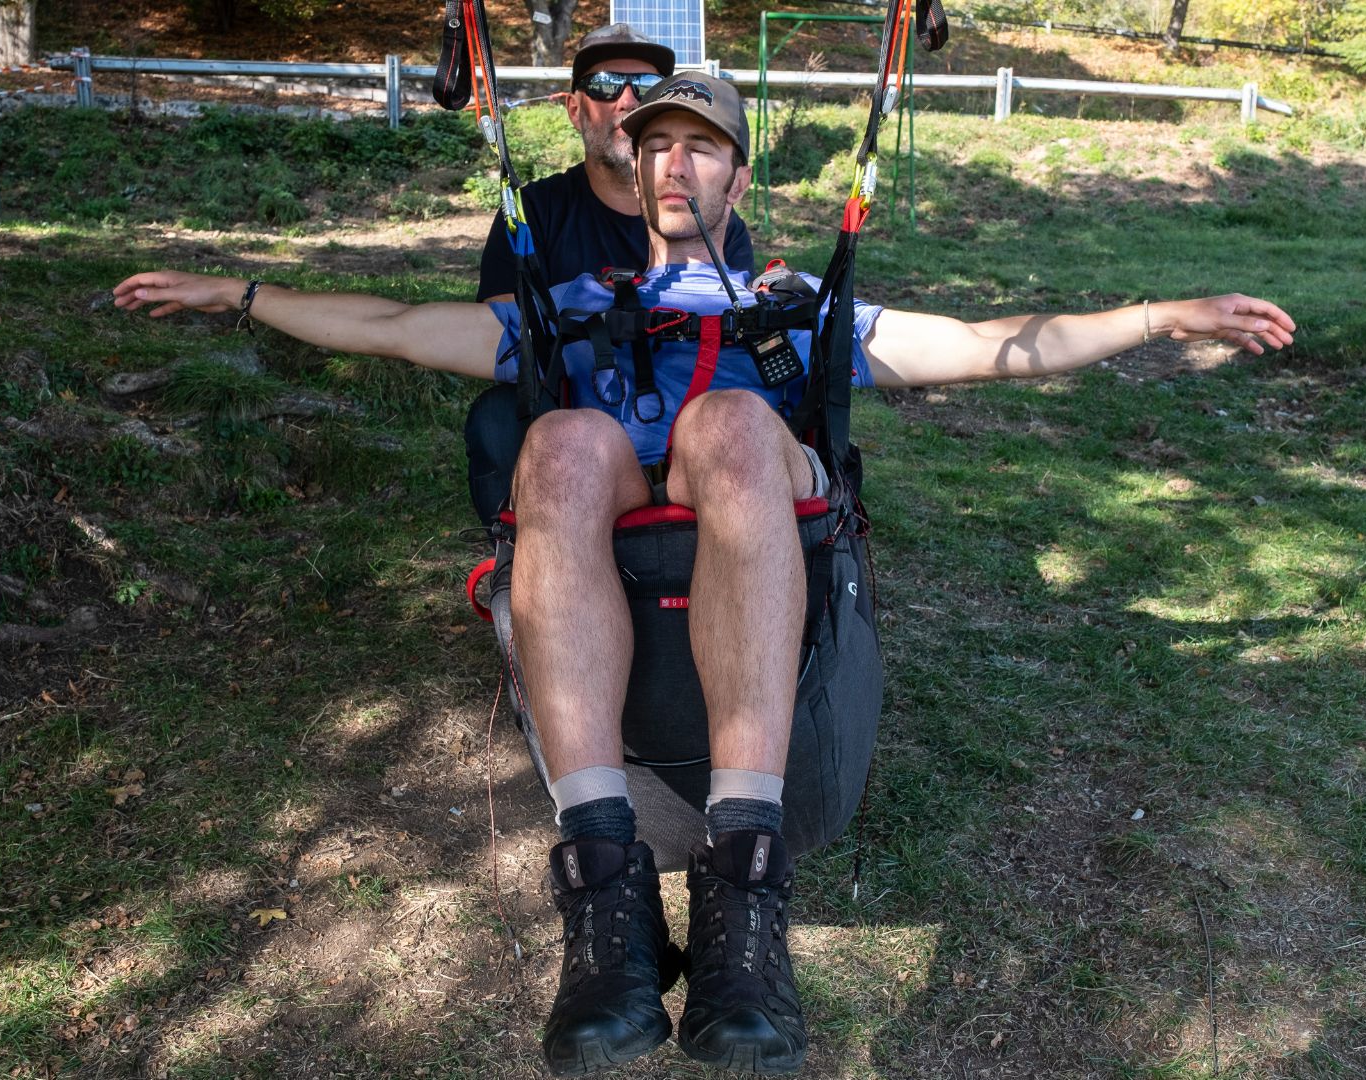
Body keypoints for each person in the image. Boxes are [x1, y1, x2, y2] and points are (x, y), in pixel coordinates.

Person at [113, 72, 1295, 1077]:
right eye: (656, 145)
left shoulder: (806, 311)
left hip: (754, 494)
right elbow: (387, 320)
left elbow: (993, 347)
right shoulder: (570, 308)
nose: (676, 165)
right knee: (559, 441)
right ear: (629, 171)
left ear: (738, 180)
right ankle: (608, 902)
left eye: (703, 147)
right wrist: (241, 293)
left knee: (729, 422)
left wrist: (1157, 317)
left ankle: (745, 888)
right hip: (618, 522)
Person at [475, 22, 753, 304]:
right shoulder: (531, 213)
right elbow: (502, 331)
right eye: (604, 85)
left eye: (648, 86)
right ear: (574, 109)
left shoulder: (711, 220)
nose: (628, 101)